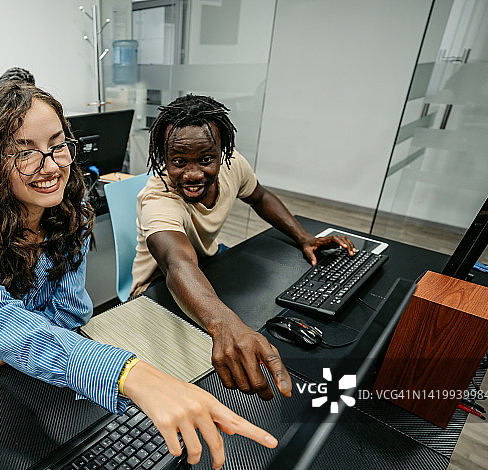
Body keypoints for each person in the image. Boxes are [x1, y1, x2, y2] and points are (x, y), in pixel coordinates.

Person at [0, 82, 279, 469]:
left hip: (16, 355)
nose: (50, 166)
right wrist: (128, 373)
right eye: (25, 154)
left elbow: (67, 315)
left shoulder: (69, 206)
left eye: (57, 145)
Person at [131, 94, 355, 402]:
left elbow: (260, 197)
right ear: (163, 157)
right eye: (179, 162)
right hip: (158, 293)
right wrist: (223, 325)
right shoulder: (157, 200)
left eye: (206, 160)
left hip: (207, 271)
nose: (193, 174)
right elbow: (177, 264)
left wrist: (304, 237)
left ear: (222, 153)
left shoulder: (233, 165)